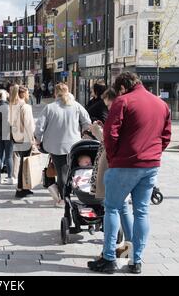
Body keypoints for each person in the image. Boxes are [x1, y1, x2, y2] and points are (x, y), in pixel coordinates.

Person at [87, 72, 171, 275]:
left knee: (112, 208)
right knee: (141, 211)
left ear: (122, 88)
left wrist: (115, 157)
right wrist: (154, 153)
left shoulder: (123, 101)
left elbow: (110, 132)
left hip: (125, 163)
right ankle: (136, 260)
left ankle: (109, 259)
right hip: (150, 165)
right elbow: (166, 135)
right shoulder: (161, 104)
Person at [89, 87, 134, 261]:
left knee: (112, 208)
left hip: (112, 165)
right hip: (126, 165)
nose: (107, 108)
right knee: (123, 208)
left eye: (108, 104)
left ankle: (108, 255)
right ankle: (130, 249)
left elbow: (110, 140)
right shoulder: (129, 112)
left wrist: (97, 131)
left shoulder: (118, 113)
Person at [34, 83, 92, 206]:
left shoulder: (50, 107)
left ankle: (63, 198)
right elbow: (87, 121)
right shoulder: (76, 106)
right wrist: (83, 133)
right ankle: (73, 191)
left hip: (55, 146)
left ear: (55, 93)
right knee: (71, 169)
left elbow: (39, 126)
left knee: (61, 172)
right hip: (74, 145)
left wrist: (38, 139)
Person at [9, 85, 36, 198]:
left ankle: (24, 187)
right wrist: (33, 139)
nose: (29, 95)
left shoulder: (13, 105)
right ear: (24, 94)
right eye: (28, 93)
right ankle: (21, 188)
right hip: (25, 139)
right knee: (24, 165)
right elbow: (29, 125)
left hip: (16, 138)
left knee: (22, 163)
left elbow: (10, 122)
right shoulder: (25, 107)